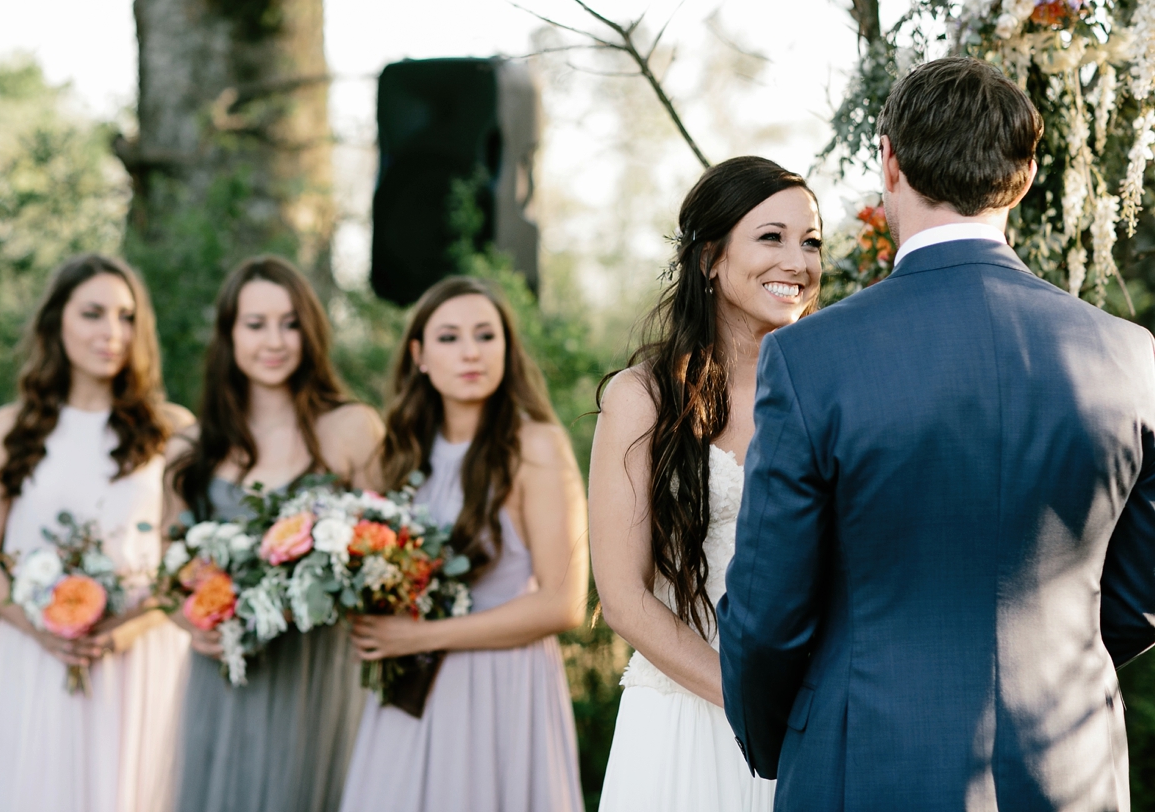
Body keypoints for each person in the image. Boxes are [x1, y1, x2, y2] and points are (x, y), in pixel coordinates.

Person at [719, 57, 1155, 811]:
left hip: (868, 763)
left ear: (888, 161)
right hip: (1068, 769)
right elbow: (1141, 598)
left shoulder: (811, 358)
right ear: (1022, 177)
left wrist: (783, 738)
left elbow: (767, 615)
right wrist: (1051, 666)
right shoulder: (1132, 358)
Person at [590, 156, 821, 811]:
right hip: (683, 718)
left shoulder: (831, 391)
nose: (797, 262)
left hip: (818, 722)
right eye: (771, 237)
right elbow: (623, 599)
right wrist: (751, 698)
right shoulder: (643, 398)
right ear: (710, 259)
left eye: (810, 242)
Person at [338, 276, 587, 812]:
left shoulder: (535, 446)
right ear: (419, 355)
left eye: (485, 335)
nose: (470, 352)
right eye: (449, 338)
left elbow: (563, 603)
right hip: (409, 692)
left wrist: (419, 636)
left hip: (501, 685)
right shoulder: (399, 454)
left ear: (507, 349)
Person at [0, 254, 194, 812]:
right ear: (56, 322)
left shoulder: (174, 431)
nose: (112, 332)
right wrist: (39, 629)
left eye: (126, 316)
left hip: (138, 661)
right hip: (35, 658)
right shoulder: (10, 429)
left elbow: (183, 563)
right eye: (93, 313)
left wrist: (126, 631)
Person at [169, 255, 383, 812]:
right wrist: (191, 623)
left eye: (290, 323)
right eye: (256, 324)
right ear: (229, 333)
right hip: (227, 672)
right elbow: (168, 572)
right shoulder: (190, 449)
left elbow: (388, 555)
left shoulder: (353, 429)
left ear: (311, 332)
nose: (275, 341)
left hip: (322, 670)